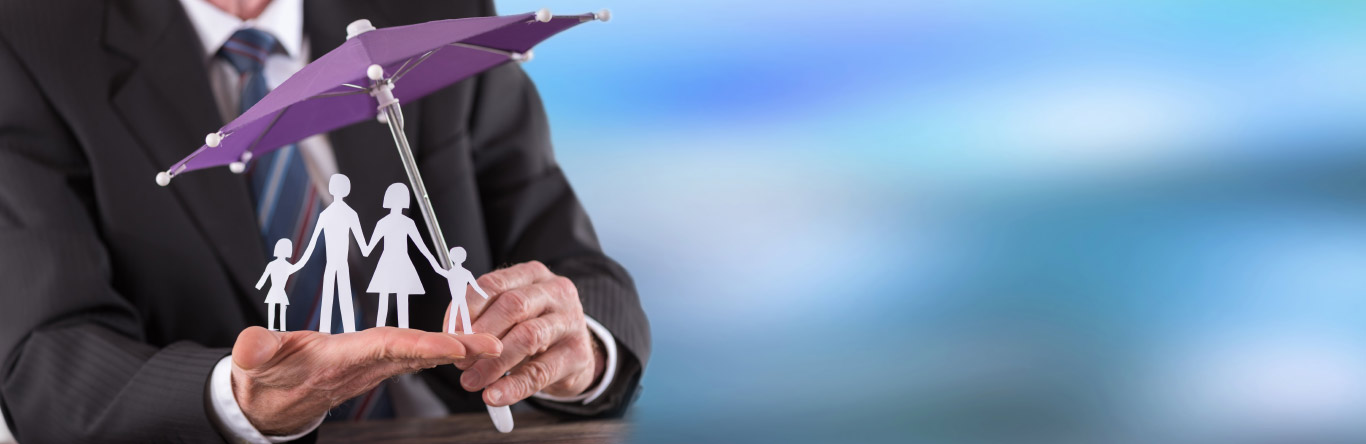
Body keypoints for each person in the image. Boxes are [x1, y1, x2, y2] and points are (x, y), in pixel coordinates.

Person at [0, 0, 650, 442]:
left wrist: (571, 345)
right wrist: (237, 398)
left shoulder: (436, 11)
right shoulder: (31, 42)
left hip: (461, 424)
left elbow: (581, 277)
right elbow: (46, 361)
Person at [293, 173, 368, 334]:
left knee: (329, 295)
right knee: (343, 295)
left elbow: (311, 242)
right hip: (339, 263)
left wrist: (299, 263)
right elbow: (363, 245)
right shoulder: (349, 214)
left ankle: (329, 329)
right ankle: (347, 329)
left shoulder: (326, 214)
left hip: (333, 263)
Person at [361, 183, 441, 329]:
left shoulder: (384, 223)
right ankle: (396, 330)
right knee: (400, 299)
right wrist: (435, 264)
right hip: (401, 263)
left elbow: (367, 250)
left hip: (389, 263)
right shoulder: (406, 223)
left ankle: (383, 330)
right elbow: (422, 248)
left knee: (386, 299)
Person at [436, 246, 491, 335]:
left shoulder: (452, 272)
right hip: (460, 298)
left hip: (459, 298)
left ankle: (456, 331)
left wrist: (431, 259)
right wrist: (485, 295)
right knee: (460, 314)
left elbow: (438, 270)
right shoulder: (465, 272)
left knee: (456, 314)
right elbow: (475, 286)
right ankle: (458, 331)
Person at [254, 238, 301, 331]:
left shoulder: (286, 265)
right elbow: (264, 277)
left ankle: (282, 329)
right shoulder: (272, 265)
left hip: (280, 291)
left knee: (281, 310)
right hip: (274, 290)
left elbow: (297, 267)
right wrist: (258, 287)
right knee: (273, 310)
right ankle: (272, 327)